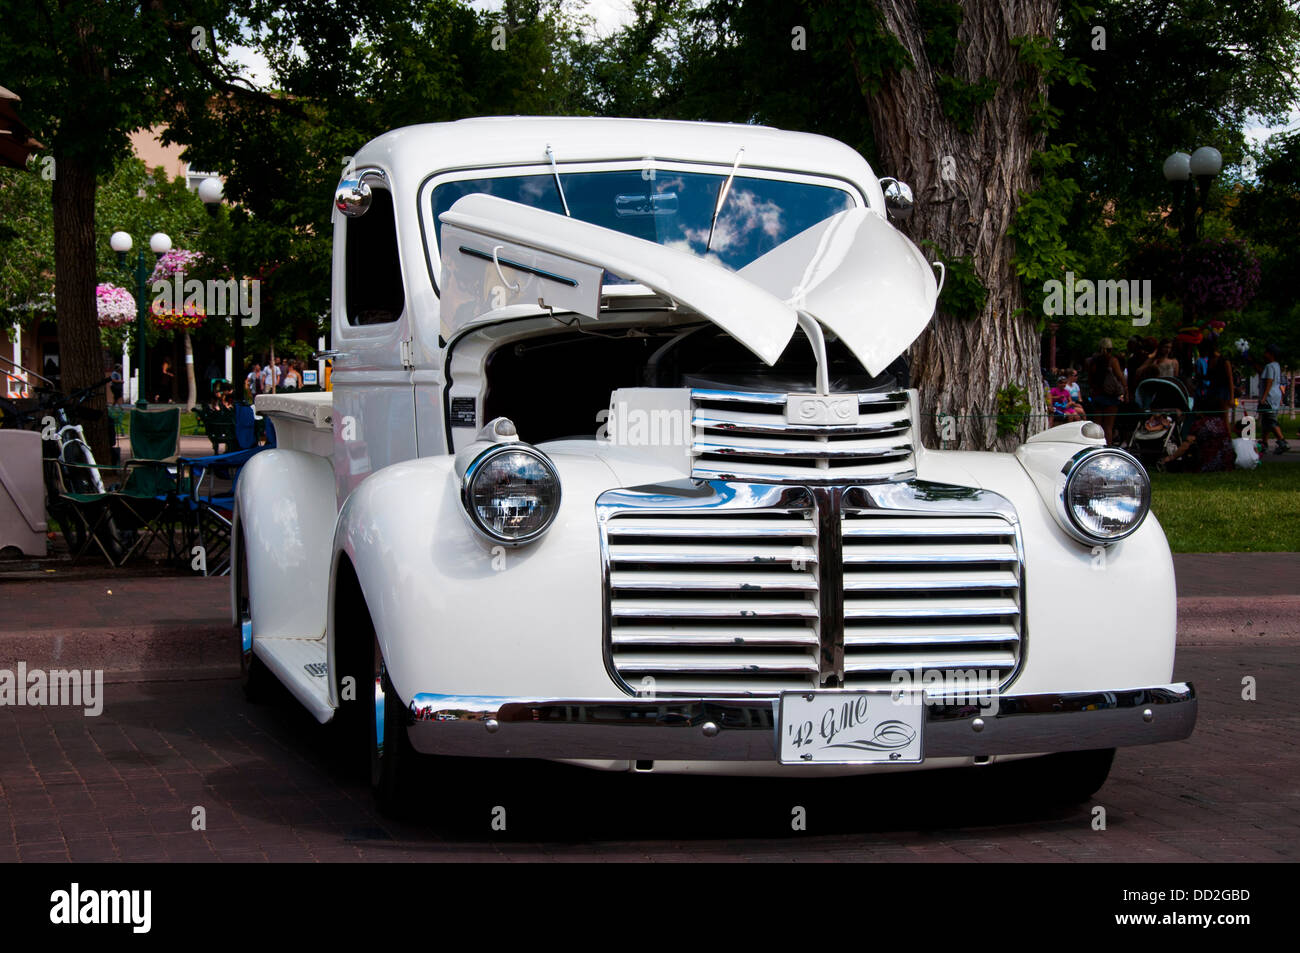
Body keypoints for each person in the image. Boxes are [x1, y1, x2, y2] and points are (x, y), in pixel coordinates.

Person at [1161, 399, 1236, 472]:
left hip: (1209, 464)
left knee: (1174, 465)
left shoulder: (1200, 424)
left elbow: (1186, 445)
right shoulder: (1221, 422)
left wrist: (1171, 457)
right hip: (1226, 464)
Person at [1087, 337, 1126, 444]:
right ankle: (1107, 448)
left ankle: (1095, 446)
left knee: (1097, 426)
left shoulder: (1092, 362)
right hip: (1110, 396)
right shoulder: (1112, 361)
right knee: (1108, 427)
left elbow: (1090, 379)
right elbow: (1120, 377)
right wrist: (1125, 390)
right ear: (1110, 349)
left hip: (1097, 395)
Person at [1257, 345, 1290, 454]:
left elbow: (1269, 381)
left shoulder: (1269, 366)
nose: (1264, 354)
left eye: (1266, 352)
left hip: (1269, 397)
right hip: (1276, 395)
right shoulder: (1276, 365)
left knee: (1270, 420)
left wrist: (1264, 397)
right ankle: (1264, 443)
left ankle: (1282, 441)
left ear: (1271, 354)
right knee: (1266, 420)